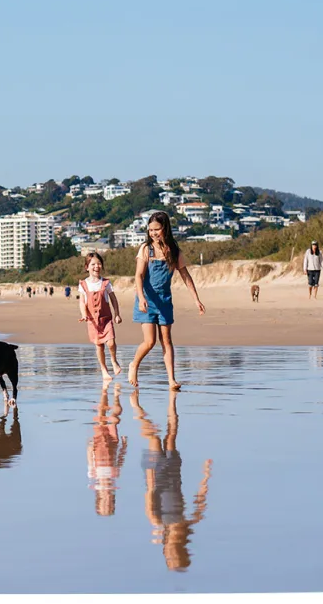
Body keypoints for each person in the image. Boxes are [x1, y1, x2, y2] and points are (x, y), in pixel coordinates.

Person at [133, 387, 212, 572]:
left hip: (156, 474)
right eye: (175, 554)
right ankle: (172, 399)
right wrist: (206, 474)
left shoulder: (157, 522)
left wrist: (151, 475)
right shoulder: (188, 523)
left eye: (170, 555)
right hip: (175, 472)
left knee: (153, 436)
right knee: (172, 431)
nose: (171, 551)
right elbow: (200, 500)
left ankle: (135, 406)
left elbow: (150, 494)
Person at [129, 211, 206, 390]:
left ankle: (171, 379)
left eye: (157, 229)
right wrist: (140, 298)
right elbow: (139, 276)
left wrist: (196, 300)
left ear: (165, 228)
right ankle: (134, 365)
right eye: (150, 230)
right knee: (150, 342)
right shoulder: (145, 249)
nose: (153, 233)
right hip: (147, 300)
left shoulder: (174, 251)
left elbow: (186, 276)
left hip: (164, 301)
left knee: (167, 340)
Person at [77, 251, 124, 380]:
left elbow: (113, 299)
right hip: (92, 321)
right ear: (87, 267)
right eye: (93, 264)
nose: (96, 266)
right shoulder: (83, 284)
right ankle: (104, 369)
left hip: (106, 318)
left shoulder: (106, 283)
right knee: (99, 346)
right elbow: (82, 302)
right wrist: (84, 315)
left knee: (111, 343)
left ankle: (114, 361)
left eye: (99, 264)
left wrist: (117, 314)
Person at [86, 385, 127, 516]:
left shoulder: (93, 476)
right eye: (109, 503)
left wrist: (90, 445)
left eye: (105, 502)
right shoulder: (115, 475)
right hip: (113, 443)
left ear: (99, 498)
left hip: (98, 444)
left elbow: (90, 459)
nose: (107, 500)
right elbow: (120, 460)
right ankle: (116, 396)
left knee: (101, 417)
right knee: (114, 419)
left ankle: (104, 392)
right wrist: (124, 446)